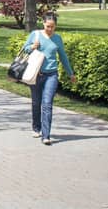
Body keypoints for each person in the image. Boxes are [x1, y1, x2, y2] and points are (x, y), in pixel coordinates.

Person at [22, 13, 76, 145]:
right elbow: (25, 49)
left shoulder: (57, 38)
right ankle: (36, 127)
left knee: (47, 104)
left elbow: (63, 57)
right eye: (47, 26)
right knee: (36, 103)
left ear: (55, 26)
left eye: (52, 27)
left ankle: (46, 135)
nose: (50, 29)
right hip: (36, 74)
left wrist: (70, 73)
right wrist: (32, 47)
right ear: (43, 24)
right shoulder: (35, 35)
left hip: (51, 75)